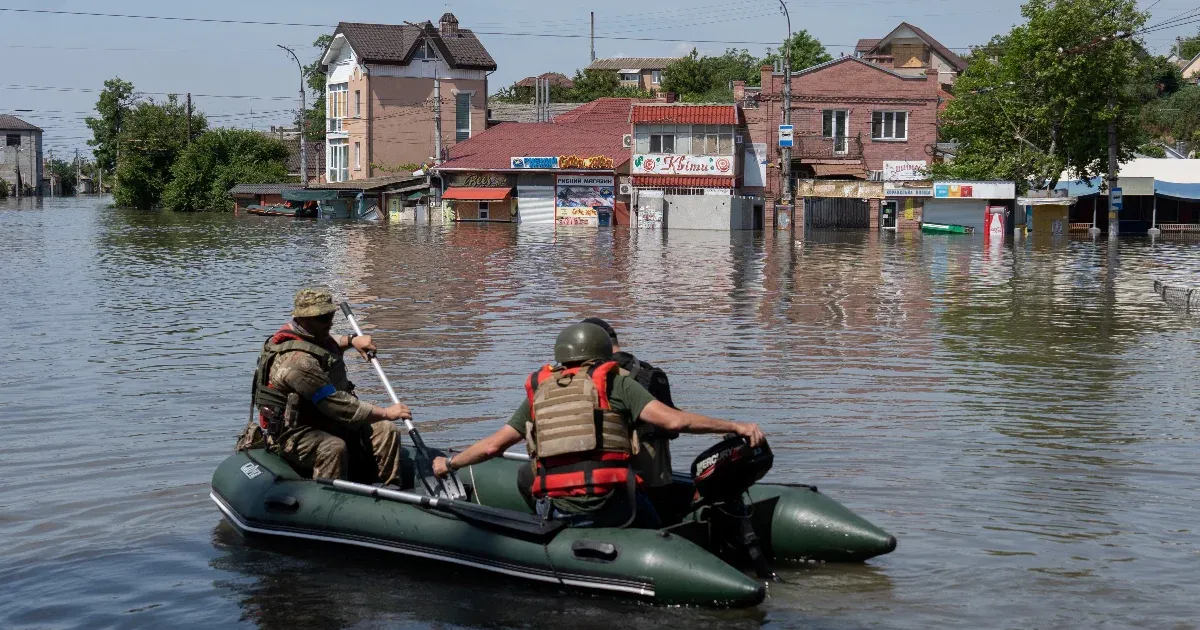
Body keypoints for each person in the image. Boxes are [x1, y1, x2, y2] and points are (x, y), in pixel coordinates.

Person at [431, 322, 765, 528]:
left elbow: (494, 446)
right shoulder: (615, 381)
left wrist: (449, 463)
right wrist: (734, 426)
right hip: (613, 503)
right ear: (604, 352)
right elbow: (675, 421)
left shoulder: (541, 388)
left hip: (562, 508)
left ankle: (548, 530)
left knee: (526, 476)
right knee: (659, 523)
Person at [237, 288, 413, 487]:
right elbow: (336, 405)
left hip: (324, 420)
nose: (328, 322)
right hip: (293, 432)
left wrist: (352, 340)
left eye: (330, 315)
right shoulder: (298, 363)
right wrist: (387, 412)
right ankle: (330, 500)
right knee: (333, 447)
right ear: (303, 319)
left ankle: (392, 490)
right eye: (322, 318)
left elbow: (328, 342)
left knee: (386, 429)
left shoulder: (312, 335)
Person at [580, 317, 682, 522]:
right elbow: (673, 425)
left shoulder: (603, 376)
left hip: (624, 472)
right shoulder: (649, 371)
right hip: (660, 472)